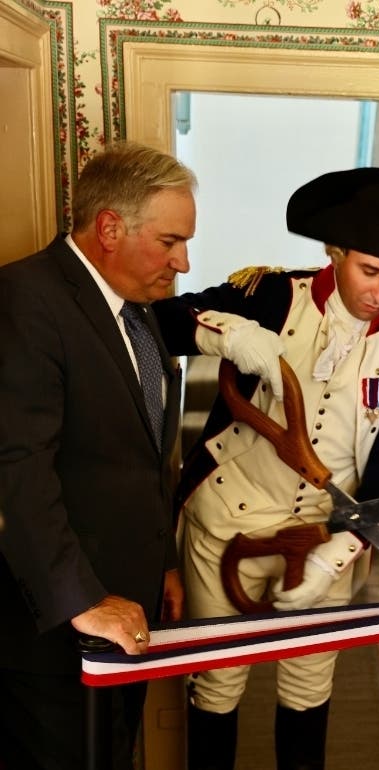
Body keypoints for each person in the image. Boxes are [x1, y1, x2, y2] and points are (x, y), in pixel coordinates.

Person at [152, 167, 379, 770]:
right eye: (369, 271)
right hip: (226, 517)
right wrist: (229, 333)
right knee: (218, 684)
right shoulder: (271, 295)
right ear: (336, 252)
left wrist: (334, 557)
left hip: (329, 532)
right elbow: (161, 322)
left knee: (307, 687)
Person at [0, 141, 193, 769]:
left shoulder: (136, 309)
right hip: (54, 620)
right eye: (170, 242)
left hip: (126, 605)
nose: (183, 262)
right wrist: (83, 598)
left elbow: (141, 457)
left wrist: (160, 560)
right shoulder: (25, 298)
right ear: (110, 227)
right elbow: (17, 468)